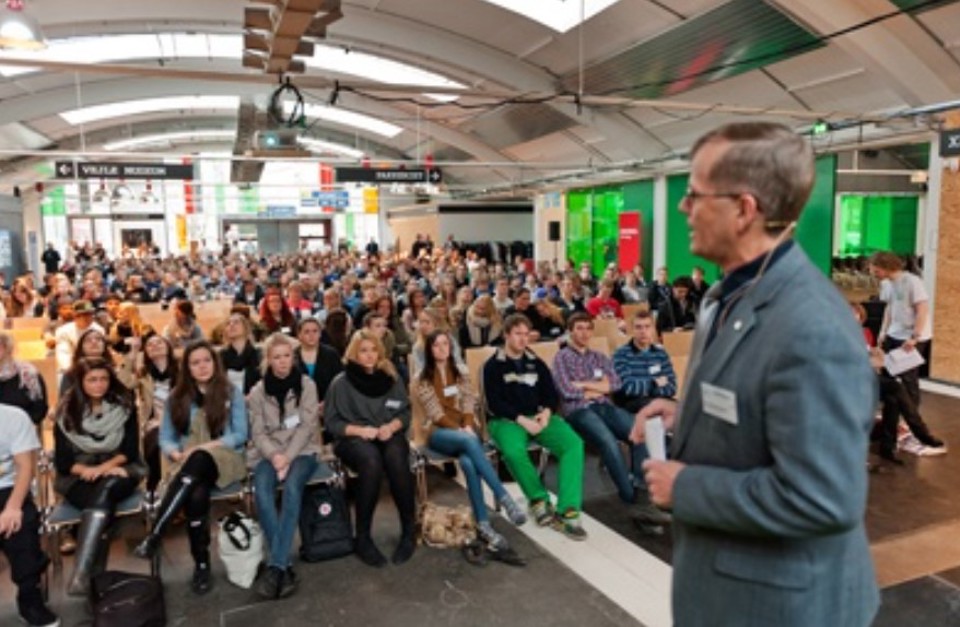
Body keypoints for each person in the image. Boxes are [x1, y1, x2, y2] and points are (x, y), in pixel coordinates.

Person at [631, 122, 878, 626]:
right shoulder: (727, 296)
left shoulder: (813, 327)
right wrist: (687, 414)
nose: (682, 208)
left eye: (695, 195)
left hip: (783, 608)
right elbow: (752, 402)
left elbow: (823, 498)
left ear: (744, 209)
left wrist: (688, 488)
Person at [134, 340, 249, 595]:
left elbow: (241, 434)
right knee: (196, 495)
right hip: (188, 463)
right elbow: (166, 438)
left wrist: (204, 447)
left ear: (215, 363)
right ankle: (201, 564)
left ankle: (156, 534)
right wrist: (174, 452)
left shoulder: (230, 392)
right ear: (187, 368)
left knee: (198, 458)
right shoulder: (176, 397)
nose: (202, 366)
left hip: (226, 457)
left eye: (206, 360)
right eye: (195, 363)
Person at [552, 314, 670, 531]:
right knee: (609, 442)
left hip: (603, 406)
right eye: (579, 328)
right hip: (578, 411)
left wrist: (584, 386)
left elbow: (615, 384)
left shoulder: (598, 356)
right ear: (570, 331)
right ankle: (633, 501)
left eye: (588, 328)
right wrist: (598, 386)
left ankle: (642, 498)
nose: (584, 333)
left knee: (640, 431)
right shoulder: (562, 358)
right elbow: (567, 391)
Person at [415, 331, 527, 550]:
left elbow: (469, 402)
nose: (442, 348)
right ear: (429, 350)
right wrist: (461, 430)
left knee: (468, 462)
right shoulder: (422, 378)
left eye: (445, 344)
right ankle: (504, 497)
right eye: (436, 345)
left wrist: (467, 425)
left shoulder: (461, 371)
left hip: (465, 430)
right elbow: (435, 413)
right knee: (469, 442)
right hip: (438, 432)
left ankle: (483, 525)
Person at [482, 314, 586, 540]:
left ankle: (568, 509)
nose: (523, 339)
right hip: (506, 420)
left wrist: (547, 412)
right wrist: (522, 420)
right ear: (506, 335)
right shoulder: (492, 366)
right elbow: (494, 403)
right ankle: (538, 499)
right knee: (513, 451)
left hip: (538, 417)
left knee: (573, 444)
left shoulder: (536, 362)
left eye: (526, 334)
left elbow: (551, 393)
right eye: (517, 334)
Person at [324, 330, 416, 567]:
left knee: (396, 456)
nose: (369, 355)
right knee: (371, 461)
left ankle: (409, 531)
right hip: (353, 438)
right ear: (354, 353)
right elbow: (332, 423)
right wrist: (360, 430)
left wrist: (391, 426)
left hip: (386, 432)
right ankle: (363, 537)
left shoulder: (391, 377)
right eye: (363, 350)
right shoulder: (341, 383)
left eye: (374, 350)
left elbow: (405, 412)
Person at [53, 358, 143, 596]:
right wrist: (87, 471)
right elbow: (63, 462)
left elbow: (130, 451)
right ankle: (94, 581)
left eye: (104, 379)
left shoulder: (124, 407)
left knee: (106, 490)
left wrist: (103, 468)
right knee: (103, 504)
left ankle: (82, 574)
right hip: (77, 476)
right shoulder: (65, 411)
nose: (99, 384)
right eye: (92, 380)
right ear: (80, 382)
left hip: (119, 468)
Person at [247, 333, 320, 599]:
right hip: (268, 454)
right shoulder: (257, 391)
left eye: (287, 356)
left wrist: (287, 457)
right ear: (268, 360)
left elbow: (307, 427)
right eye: (276, 357)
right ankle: (284, 566)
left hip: (302, 451)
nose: (282, 361)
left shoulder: (307, 385)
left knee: (292, 488)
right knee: (262, 491)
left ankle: (275, 566)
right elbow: (258, 433)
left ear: (293, 357)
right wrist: (275, 456)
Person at [0, 404, 61, 627]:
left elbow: (26, 468)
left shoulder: (13, 417)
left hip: (9, 489)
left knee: (22, 526)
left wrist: (12, 508)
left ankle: (29, 600)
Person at [869, 251, 930, 412]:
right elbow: (889, 309)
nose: (874, 274)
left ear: (887, 266)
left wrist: (914, 337)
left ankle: (912, 418)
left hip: (912, 336)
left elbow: (922, 310)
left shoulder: (912, 281)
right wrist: (882, 332)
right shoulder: (886, 284)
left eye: (876, 270)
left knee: (908, 378)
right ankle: (890, 418)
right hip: (894, 333)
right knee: (887, 375)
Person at [133, 331, 179, 495]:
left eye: (159, 342)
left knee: (162, 436)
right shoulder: (143, 375)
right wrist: (132, 354)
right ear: (145, 352)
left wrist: (166, 421)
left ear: (168, 347)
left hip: (179, 420)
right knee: (154, 439)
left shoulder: (182, 372)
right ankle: (156, 488)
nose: (155, 346)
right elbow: (123, 383)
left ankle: (162, 488)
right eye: (150, 345)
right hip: (153, 423)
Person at [612, 310, 678, 412]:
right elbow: (628, 388)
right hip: (632, 404)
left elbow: (672, 387)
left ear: (653, 329)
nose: (643, 331)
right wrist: (654, 383)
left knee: (685, 409)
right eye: (638, 327)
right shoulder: (621, 354)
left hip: (659, 400)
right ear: (632, 330)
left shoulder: (661, 354)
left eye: (647, 327)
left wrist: (645, 388)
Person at [0, 332, 49, 425]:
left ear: (8, 348)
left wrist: (20, 424)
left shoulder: (29, 374)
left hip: (22, 428)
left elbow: (39, 408)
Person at [218, 313, 262, 395]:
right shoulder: (221, 356)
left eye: (236, 322)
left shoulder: (257, 354)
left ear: (245, 328)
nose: (231, 325)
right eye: (228, 323)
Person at [55, 300, 104, 374]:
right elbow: (63, 353)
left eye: (89, 314)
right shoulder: (63, 331)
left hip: (94, 368)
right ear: (75, 316)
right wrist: (70, 370)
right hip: (71, 369)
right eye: (83, 314)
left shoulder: (99, 330)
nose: (87, 317)